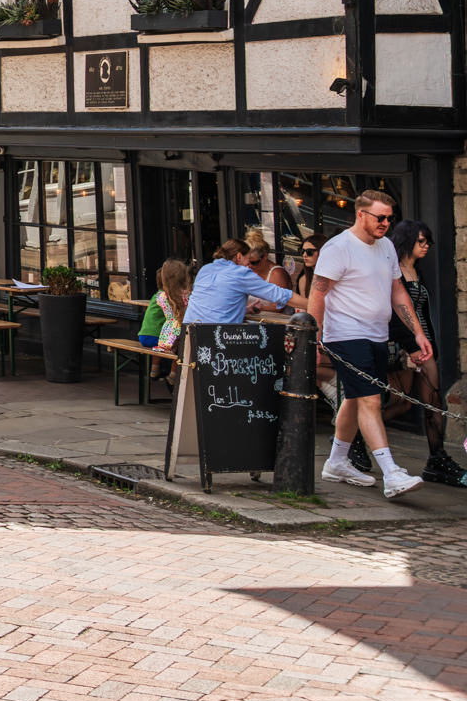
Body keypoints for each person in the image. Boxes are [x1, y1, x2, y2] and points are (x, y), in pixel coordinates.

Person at [312, 190, 429, 497]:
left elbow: (398, 292)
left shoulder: (387, 246)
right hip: (346, 336)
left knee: (355, 397)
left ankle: (337, 461)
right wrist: (312, 337)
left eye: (390, 218)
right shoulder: (339, 247)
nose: (386, 223)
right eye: (380, 217)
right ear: (360, 214)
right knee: (371, 401)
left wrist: (417, 332)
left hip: (378, 335)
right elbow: (318, 293)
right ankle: (391, 474)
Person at [385, 220, 466, 487]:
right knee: (410, 402)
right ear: (407, 240)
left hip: (423, 344)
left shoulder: (415, 270)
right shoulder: (393, 269)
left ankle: (437, 458)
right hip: (405, 346)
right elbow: (393, 315)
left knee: (420, 401)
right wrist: (410, 348)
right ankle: (351, 439)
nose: (427, 245)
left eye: (428, 241)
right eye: (422, 241)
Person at [182, 239, 309, 323]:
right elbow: (281, 295)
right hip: (217, 340)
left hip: (189, 336)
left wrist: (243, 309)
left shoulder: (205, 269)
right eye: (248, 260)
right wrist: (314, 305)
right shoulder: (240, 273)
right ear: (239, 257)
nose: (249, 265)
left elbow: (211, 305)